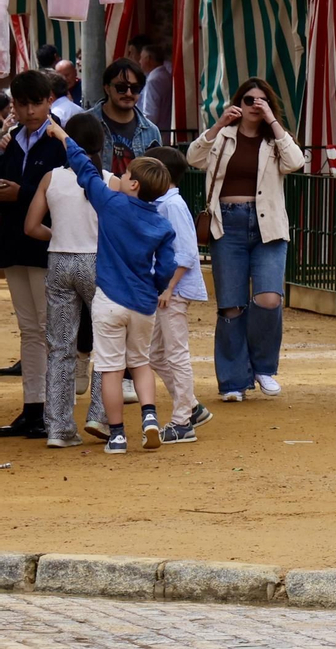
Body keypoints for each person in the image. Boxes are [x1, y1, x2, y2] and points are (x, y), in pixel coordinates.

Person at [49, 117, 177, 455]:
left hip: (108, 299)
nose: (119, 176)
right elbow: (166, 267)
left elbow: (84, 170)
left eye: (125, 174)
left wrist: (62, 135)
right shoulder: (161, 224)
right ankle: (150, 417)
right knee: (140, 363)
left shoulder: (110, 204)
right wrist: (155, 287)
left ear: (133, 185)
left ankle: (117, 434)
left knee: (109, 368)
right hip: (142, 303)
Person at [188, 78, 305, 402]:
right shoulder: (224, 136)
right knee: (231, 306)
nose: (255, 104)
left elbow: (296, 162)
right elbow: (193, 158)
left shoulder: (274, 139)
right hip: (228, 224)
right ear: (238, 102)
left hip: (267, 226)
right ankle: (232, 381)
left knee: (269, 298)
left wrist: (272, 120)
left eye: (261, 99)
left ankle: (262, 367)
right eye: (249, 99)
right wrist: (218, 124)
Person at [23, 114, 109, 447]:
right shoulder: (109, 180)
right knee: (106, 344)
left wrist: (57, 234)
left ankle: (58, 427)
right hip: (97, 260)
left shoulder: (51, 178)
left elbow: (31, 227)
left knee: (60, 348)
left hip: (58, 259)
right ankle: (100, 416)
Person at [0, 71, 67, 439]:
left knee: (45, 328)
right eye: (21, 104)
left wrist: (20, 193)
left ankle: (49, 410)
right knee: (30, 329)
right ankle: (33, 409)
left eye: (34, 103)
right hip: (15, 242)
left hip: (47, 243)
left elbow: (65, 193)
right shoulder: (11, 142)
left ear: (49, 102)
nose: (28, 111)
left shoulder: (59, 142)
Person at [145, 146, 211, 443]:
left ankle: (183, 419)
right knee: (156, 355)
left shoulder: (171, 205)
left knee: (174, 354)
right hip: (166, 289)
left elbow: (186, 252)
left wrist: (170, 288)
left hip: (173, 290)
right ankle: (192, 406)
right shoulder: (163, 201)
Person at [90, 59, 162, 174]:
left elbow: (155, 178)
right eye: (121, 88)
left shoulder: (151, 131)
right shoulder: (86, 123)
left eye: (135, 88)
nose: (128, 93)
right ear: (107, 88)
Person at [138, 44, 173, 136]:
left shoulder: (153, 80)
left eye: (141, 58)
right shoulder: (166, 76)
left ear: (148, 59)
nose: (139, 61)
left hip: (156, 134)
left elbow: (150, 113)